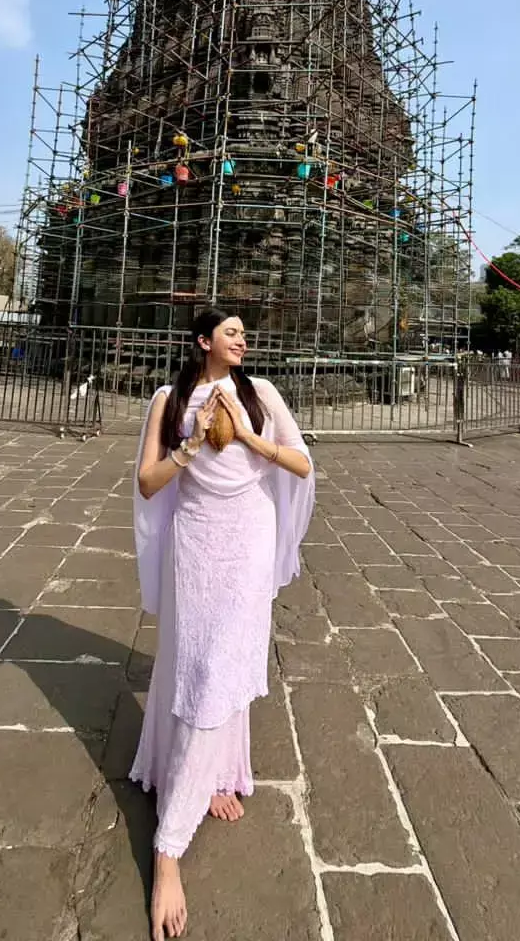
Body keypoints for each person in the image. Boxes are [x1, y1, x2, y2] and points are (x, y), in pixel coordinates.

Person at [131, 308, 315, 940]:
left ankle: (188, 813)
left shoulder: (260, 394)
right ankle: (171, 844)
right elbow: (148, 482)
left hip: (249, 539)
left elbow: (301, 464)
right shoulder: (169, 398)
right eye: (230, 332)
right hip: (197, 541)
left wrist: (246, 435)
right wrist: (190, 445)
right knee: (196, 669)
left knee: (226, 665)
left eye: (243, 333)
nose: (242, 339)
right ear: (203, 342)